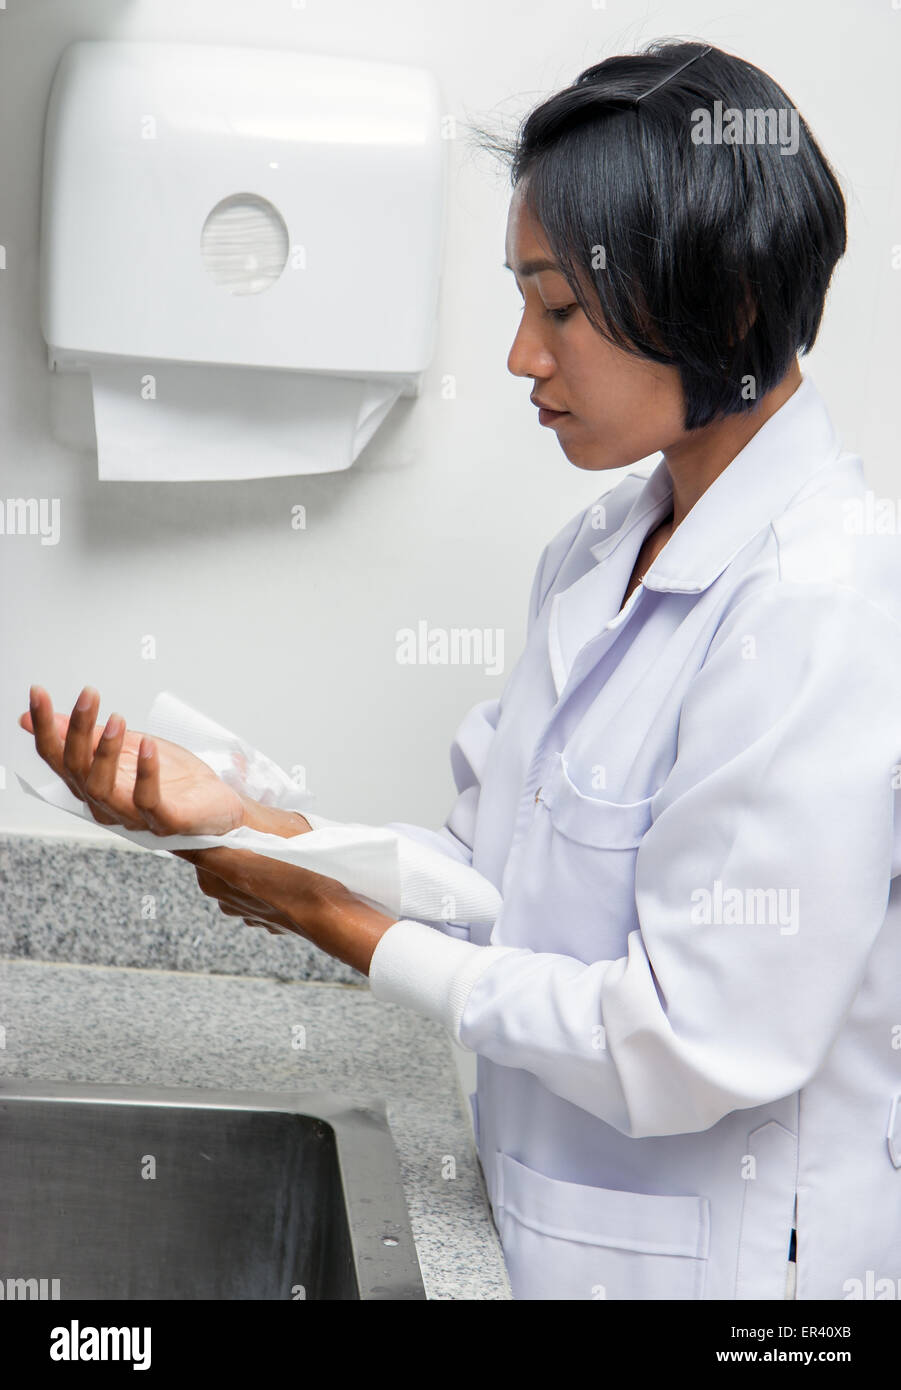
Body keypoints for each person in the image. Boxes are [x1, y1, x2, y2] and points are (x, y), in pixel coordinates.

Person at [19, 40, 901, 1301]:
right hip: (542, 1241)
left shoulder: (829, 603)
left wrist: (326, 914)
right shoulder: (601, 551)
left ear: (730, 306)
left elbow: (693, 1043)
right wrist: (238, 818)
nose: (520, 357)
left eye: (558, 309)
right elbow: (484, 889)